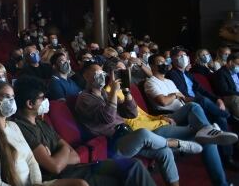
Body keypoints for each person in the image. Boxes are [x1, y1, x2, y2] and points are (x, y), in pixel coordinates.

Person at [105, 59, 238, 184]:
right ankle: (222, 182)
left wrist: (160, 118)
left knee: (194, 108)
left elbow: (143, 115)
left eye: (124, 72)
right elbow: (131, 120)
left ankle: (207, 128)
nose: (122, 75)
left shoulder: (125, 90)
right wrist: (116, 91)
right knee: (207, 139)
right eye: (119, 72)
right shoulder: (108, 93)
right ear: (110, 73)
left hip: (158, 122)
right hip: (151, 131)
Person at [12, 76, 156, 185]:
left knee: (134, 165)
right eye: (42, 98)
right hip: (64, 178)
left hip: (79, 167)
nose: (45, 101)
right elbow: (55, 168)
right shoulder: (22, 128)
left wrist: (58, 154)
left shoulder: (41, 122)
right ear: (30, 104)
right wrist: (62, 152)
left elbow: (74, 155)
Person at [76, 63, 202, 186]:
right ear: (87, 76)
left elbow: (131, 113)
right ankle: (176, 143)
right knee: (143, 133)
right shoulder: (84, 99)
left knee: (165, 152)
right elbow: (108, 118)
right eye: (97, 73)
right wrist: (113, 93)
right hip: (113, 143)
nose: (101, 76)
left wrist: (126, 93)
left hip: (127, 134)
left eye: (102, 73)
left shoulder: (105, 94)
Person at [0, 82, 80, 186]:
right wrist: (66, 149)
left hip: (35, 183)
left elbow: (31, 159)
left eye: (12, 97)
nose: (11, 101)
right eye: (6, 97)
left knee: (80, 184)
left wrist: (37, 183)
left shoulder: (13, 126)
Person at [166, 49, 231, 131]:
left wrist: (217, 99)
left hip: (200, 101)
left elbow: (201, 89)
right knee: (204, 100)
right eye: (180, 56)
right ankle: (229, 116)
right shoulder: (172, 74)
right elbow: (182, 93)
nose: (184, 57)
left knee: (221, 118)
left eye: (185, 55)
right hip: (189, 102)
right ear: (173, 58)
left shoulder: (188, 74)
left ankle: (227, 142)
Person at [214, 51, 239, 120]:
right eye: (238, 64)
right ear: (230, 62)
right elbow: (224, 90)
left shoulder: (236, 72)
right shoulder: (221, 73)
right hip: (228, 97)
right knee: (236, 99)